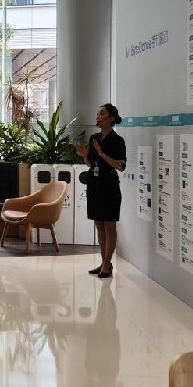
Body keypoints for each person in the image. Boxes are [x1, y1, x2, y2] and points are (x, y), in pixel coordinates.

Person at [75, 102, 126, 279]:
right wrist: (85, 154)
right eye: (97, 113)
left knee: (110, 225)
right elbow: (91, 164)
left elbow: (120, 166)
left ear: (111, 118)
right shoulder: (94, 138)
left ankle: (107, 263)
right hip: (95, 185)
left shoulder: (118, 141)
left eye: (102, 113)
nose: (98, 116)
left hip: (109, 185)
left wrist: (101, 153)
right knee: (99, 225)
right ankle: (105, 262)